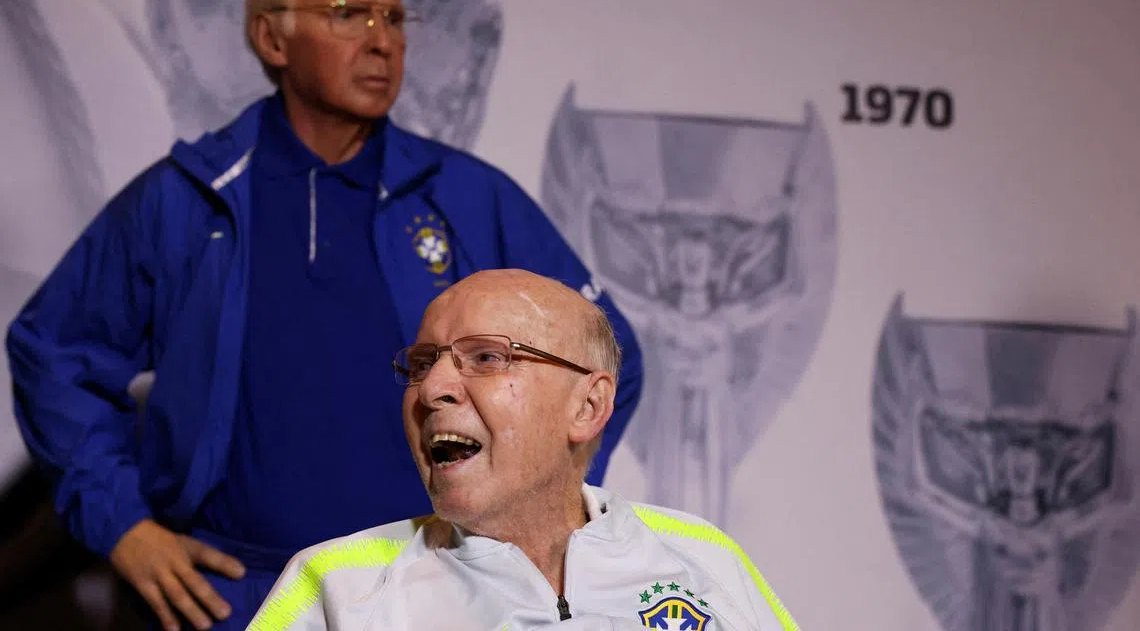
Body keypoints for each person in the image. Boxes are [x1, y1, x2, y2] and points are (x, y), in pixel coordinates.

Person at [6, 0, 642, 631]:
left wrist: (536, 508)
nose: (382, 41)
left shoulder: (468, 198)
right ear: (272, 40)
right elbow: (53, 354)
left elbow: (603, 358)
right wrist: (125, 527)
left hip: (433, 595)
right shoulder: (187, 199)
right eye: (348, 14)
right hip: (229, 597)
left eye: (395, 19)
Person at [249, 269, 797, 631]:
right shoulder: (339, 586)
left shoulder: (702, 556)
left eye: (486, 358)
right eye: (422, 364)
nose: (433, 388)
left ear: (587, 406)